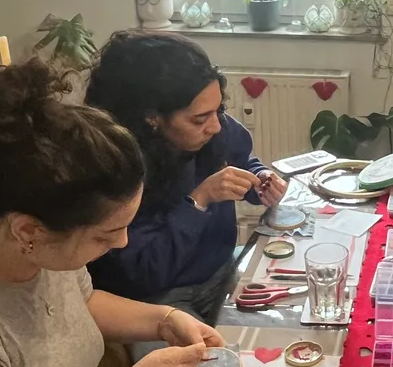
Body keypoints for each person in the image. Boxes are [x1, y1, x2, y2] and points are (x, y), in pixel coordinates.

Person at [0, 59, 225, 367]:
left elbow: (82, 303)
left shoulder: (40, 251)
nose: (124, 244)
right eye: (107, 234)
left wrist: (164, 319)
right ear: (28, 231)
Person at [84, 31, 287, 350]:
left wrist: (258, 179)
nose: (216, 126)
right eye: (200, 119)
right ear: (151, 119)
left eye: (218, 110)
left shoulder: (212, 129)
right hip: (156, 303)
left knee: (291, 320)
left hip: (222, 271)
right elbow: (142, 273)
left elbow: (241, 159)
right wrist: (198, 201)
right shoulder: (113, 167)